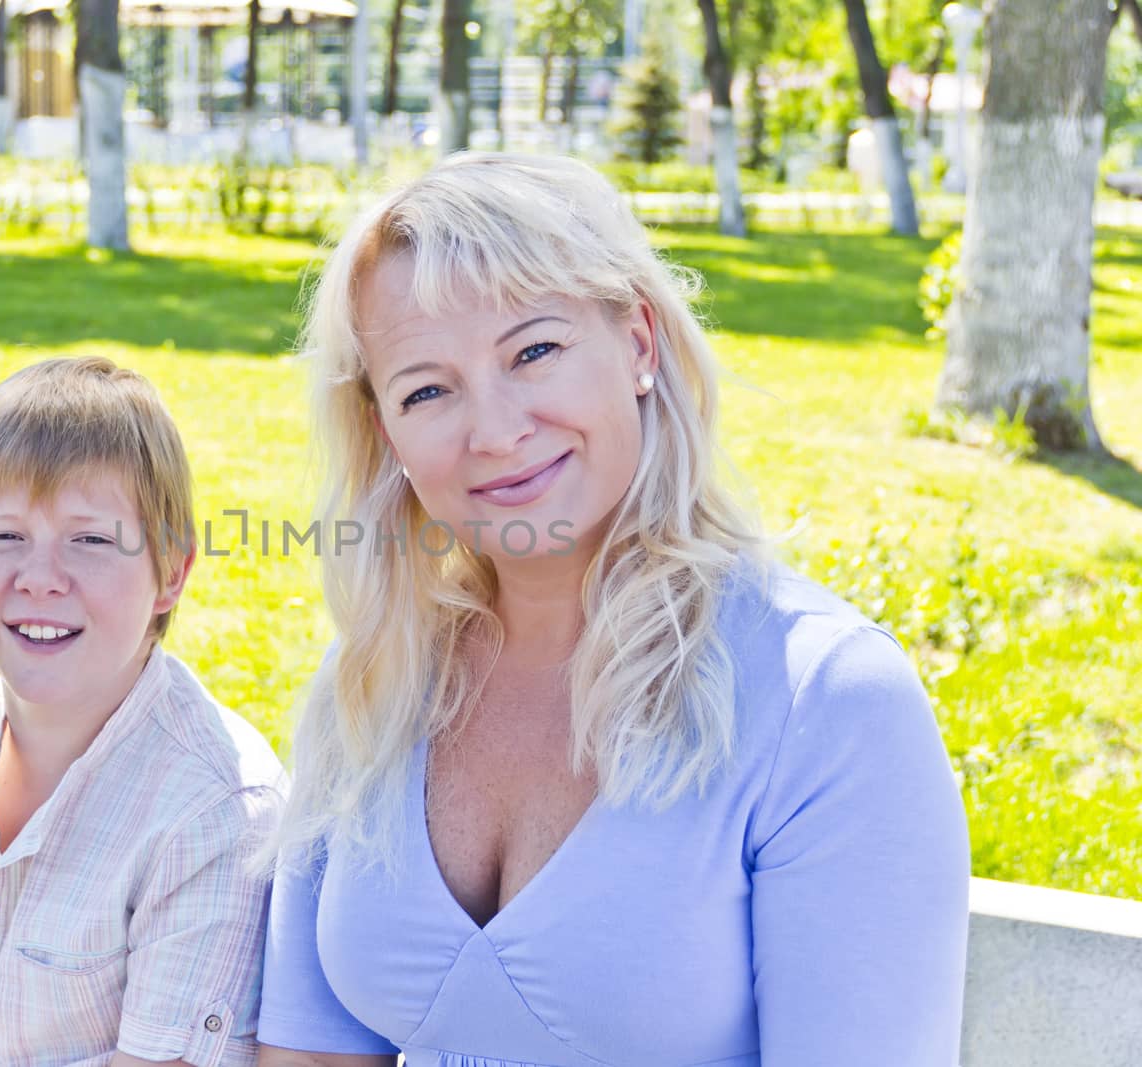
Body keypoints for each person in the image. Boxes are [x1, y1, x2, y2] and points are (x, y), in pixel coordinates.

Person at [256, 154, 970, 1066]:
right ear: (384, 426)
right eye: (428, 388)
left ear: (638, 341)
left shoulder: (826, 702)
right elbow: (310, 1053)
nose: (496, 429)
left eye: (535, 351)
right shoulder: (372, 685)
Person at [0, 357, 285, 1067]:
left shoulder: (213, 812)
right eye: (4, 536)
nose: (39, 578)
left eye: (91, 540)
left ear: (172, 571)